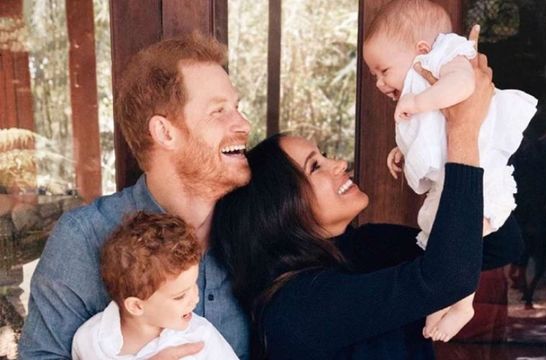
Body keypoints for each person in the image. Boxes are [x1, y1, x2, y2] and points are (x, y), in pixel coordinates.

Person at [211, 50, 523, 358]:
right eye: (315, 166)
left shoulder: (367, 245)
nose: (339, 163)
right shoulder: (296, 307)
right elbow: (446, 278)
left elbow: (498, 246)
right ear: (278, 210)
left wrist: (455, 139)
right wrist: (462, 130)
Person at [19, 33, 251, 359]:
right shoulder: (83, 238)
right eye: (219, 111)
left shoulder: (255, 227)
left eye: (237, 108)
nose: (243, 123)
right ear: (165, 132)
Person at [362, 0, 536, 340]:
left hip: (481, 175)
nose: (380, 84)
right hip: (454, 177)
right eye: (373, 76)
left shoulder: (448, 57)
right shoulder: (424, 83)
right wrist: (404, 150)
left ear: (422, 50)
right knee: (442, 240)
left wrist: (418, 102)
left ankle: (462, 304)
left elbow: (463, 86)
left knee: (460, 238)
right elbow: (433, 134)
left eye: (384, 71)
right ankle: (445, 299)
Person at [71, 212, 239, 360]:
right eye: (180, 296)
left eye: (193, 284)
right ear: (136, 305)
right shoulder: (89, 341)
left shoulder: (200, 336)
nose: (195, 298)